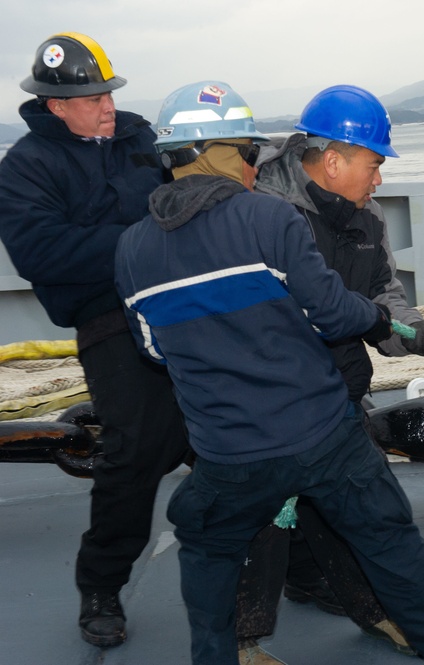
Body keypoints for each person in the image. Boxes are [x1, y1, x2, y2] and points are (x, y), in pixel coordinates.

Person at [114, 80, 424, 665]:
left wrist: (405, 327)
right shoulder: (268, 216)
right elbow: (335, 311)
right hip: (318, 426)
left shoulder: (132, 247)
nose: (252, 165)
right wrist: (372, 320)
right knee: (386, 536)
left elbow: (154, 349)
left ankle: (226, 650)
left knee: (209, 550)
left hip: (229, 443)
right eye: (245, 153)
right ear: (228, 153)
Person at [233, 84, 424, 663]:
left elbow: (384, 294)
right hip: (268, 405)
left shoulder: (367, 217)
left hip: (336, 393)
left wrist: (410, 331)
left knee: (370, 510)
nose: (379, 180)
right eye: (373, 164)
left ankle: (355, 600)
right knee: (258, 523)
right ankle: (240, 642)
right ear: (333, 161)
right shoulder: (262, 219)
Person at [0, 33, 190, 648]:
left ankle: (293, 564)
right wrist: (145, 236)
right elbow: (41, 253)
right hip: (109, 315)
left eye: (108, 91)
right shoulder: (25, 168)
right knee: (133, 446)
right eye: (90, 96)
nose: (105, 104)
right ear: (56, 104)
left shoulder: (145, 142)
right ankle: (102, 586)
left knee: (254, 421)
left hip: (186, 303)